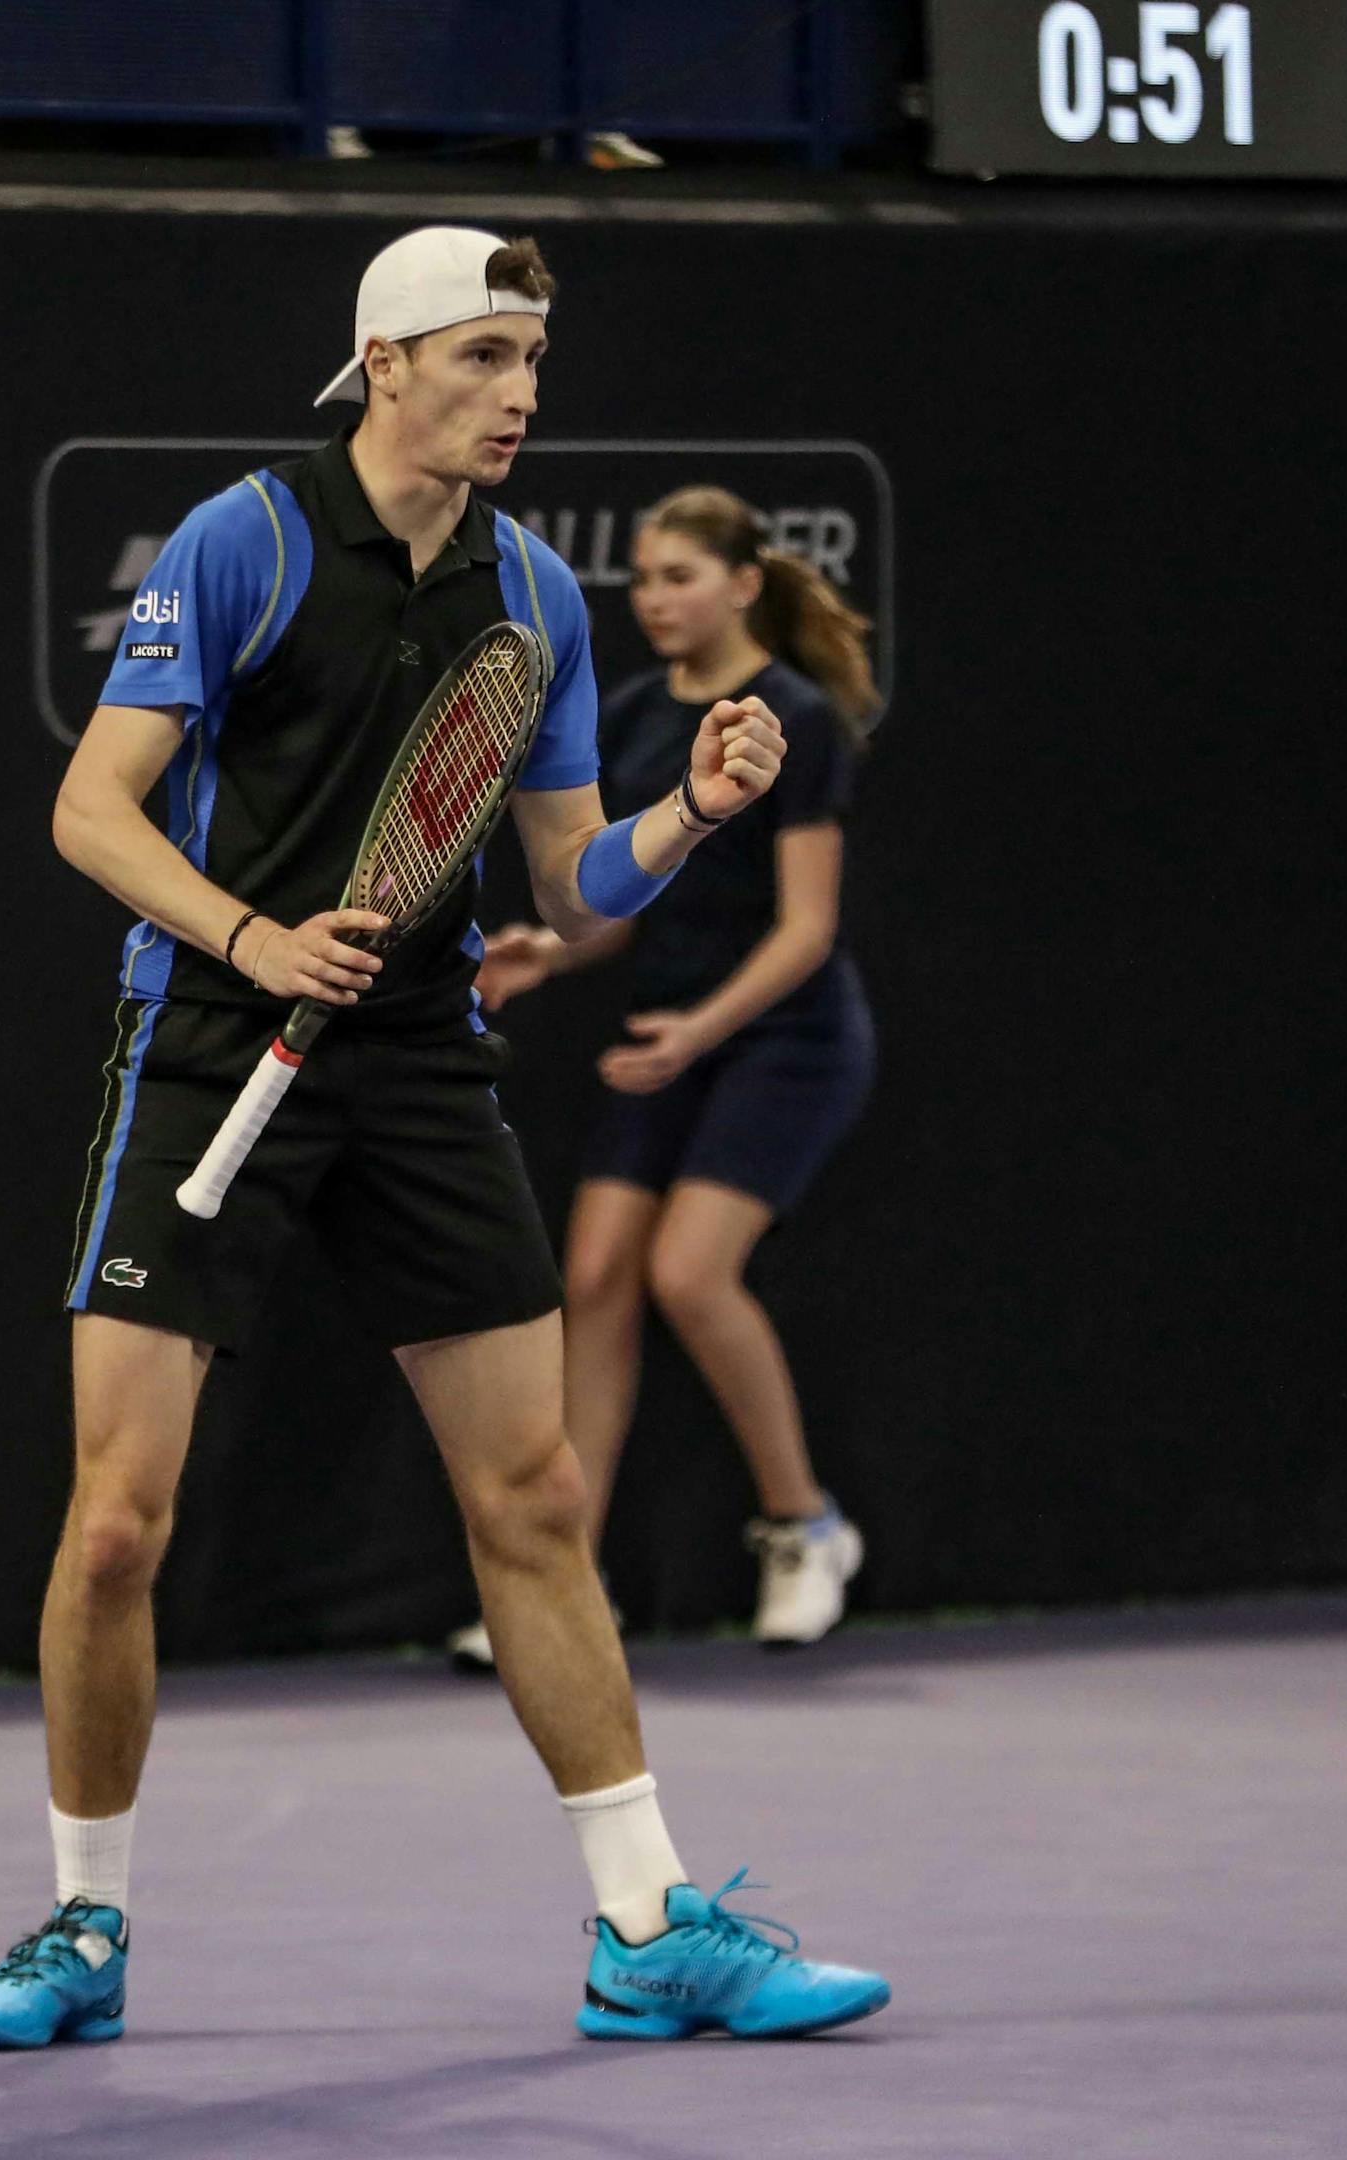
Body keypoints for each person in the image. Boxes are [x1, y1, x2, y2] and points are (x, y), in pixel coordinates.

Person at [0, 226, 888, 2050]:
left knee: (534, 1496)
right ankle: (82, 1927)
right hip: (210, 1037)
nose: (519, 396)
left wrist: (688, 811)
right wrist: (248, 935)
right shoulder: (247, 540)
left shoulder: (535, 594)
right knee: (121, 1526)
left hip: (420, 1063)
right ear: (385, 363)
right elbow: (91, 807)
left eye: (533, 366)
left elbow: (568, 877)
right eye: (482, 359)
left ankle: (645, 1926)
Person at [454, 486, 881, 1665]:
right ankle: (567, 1570)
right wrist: (550, 948)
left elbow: (804, 931)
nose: (654, 600)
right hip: (664, 1032)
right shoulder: (637, 717)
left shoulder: (795, 719)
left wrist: (696, 1032)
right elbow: (629, 895)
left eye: (679, 577)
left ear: (745, 584)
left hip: (784, 1040)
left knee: (691, 1275)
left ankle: (804, 1528)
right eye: (641, 581)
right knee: (593, 1275)